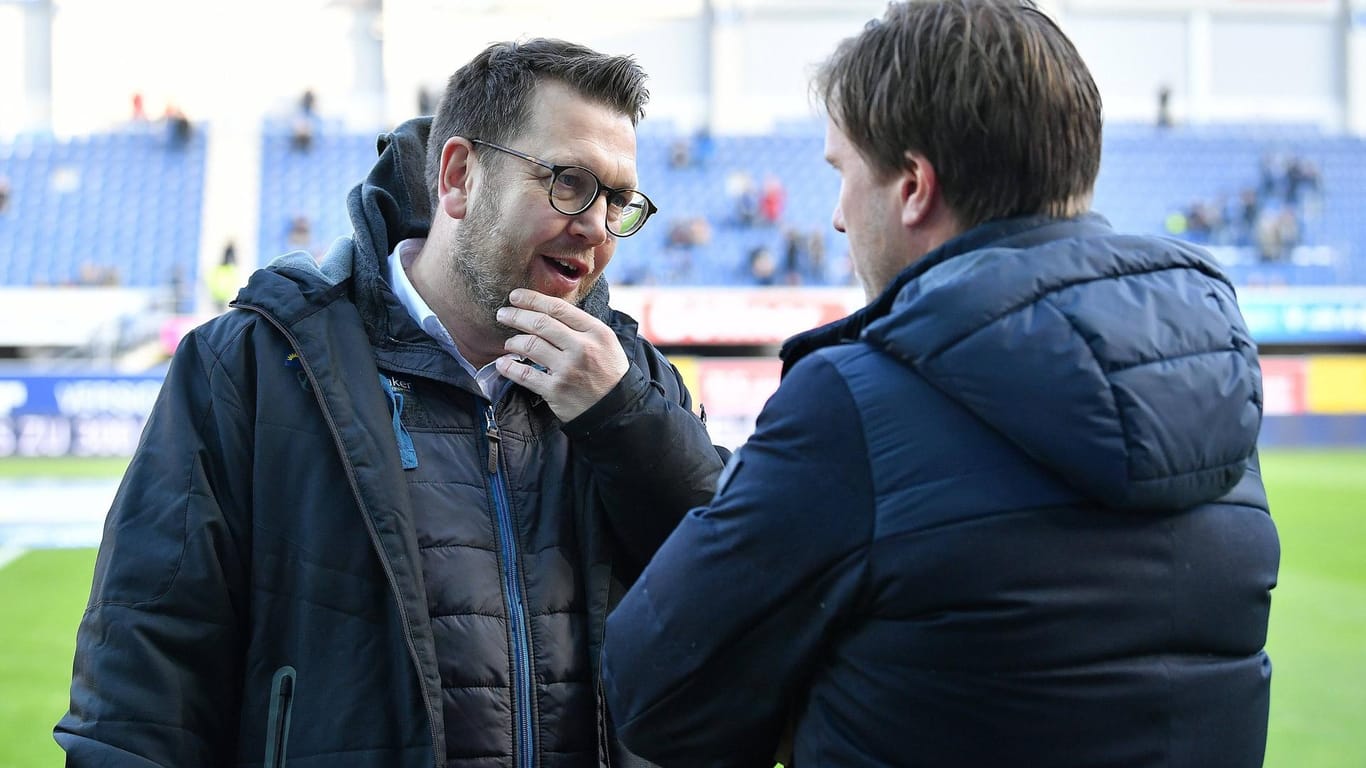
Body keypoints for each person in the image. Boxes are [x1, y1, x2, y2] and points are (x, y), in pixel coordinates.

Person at [601, 2, 1279, 766]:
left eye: (842, 173)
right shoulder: (1209, 376)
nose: (834, 218)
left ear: (915, 187)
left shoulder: (857, 402)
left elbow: (652, 692)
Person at [56, 38, 726, 767]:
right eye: (569, 182)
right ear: (460, 176)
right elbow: (141, 687)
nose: (598, 226)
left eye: (619, 201)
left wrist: (621, 418)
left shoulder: (632, 380)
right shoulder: (251, 365)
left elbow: (732, 595)